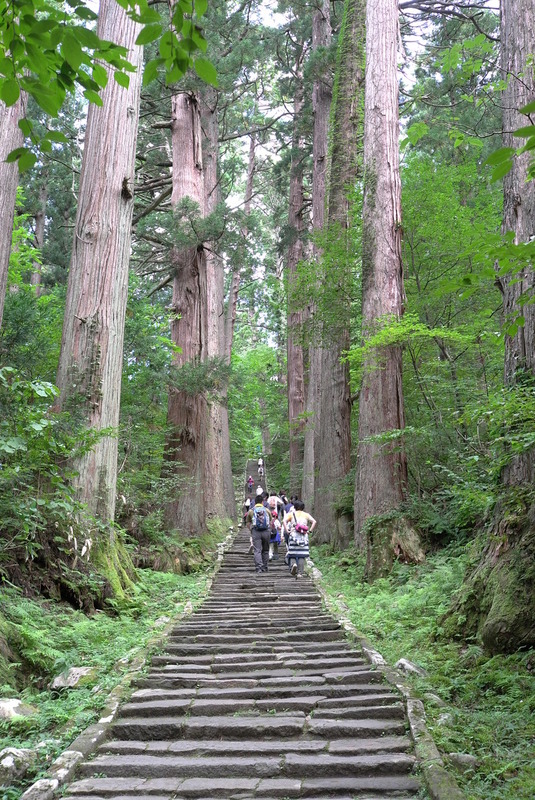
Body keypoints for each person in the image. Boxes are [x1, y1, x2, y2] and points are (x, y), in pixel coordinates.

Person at [283, 499, 316, 578]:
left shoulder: (291, 514)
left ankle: (293, 565)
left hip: (293, 535)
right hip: (303, 537)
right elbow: (314, 521)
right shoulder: (306, 514)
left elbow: (284, 521)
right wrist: (310, 531)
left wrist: (287, 530)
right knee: (302, 555)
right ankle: (300, 573)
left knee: (292, 553)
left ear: (294, 507)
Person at [246, 496, 271, 573]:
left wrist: (251, 529)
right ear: (262, 502)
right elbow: (270, 521)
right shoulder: (267, 510)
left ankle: (258, 568)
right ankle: (265, 567)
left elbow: (247, 522)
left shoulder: (251, 511)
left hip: (256, 531)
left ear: (255, 502)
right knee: (266, 550)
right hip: (266, 531)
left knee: (257, 550)